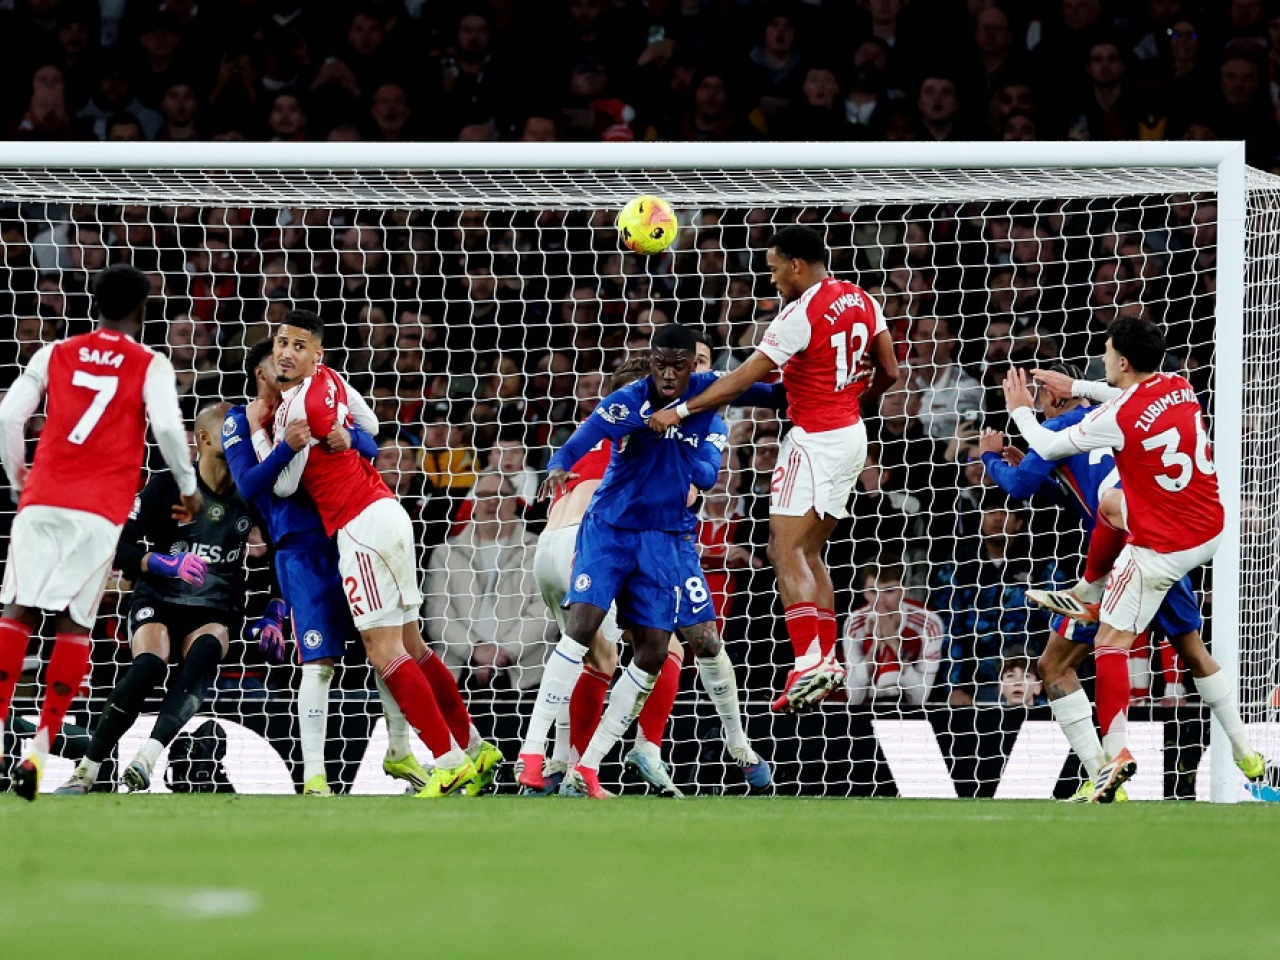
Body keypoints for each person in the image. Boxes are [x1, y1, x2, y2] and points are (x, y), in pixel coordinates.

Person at [649, 224, 899, 713]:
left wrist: (679, 410)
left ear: (797, 265)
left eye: (774, 268)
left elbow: (743, 378)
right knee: (810, 550)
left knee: (782, 549)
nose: (772, 279)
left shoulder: (798, 314)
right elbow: (889, 371)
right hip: (851, 437)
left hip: (814, 440)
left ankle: (807, 660)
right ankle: (823, 658)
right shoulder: (862, 300)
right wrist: (854, 405)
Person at [1002, 316, 1254, 801]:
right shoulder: (1179, 387)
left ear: (1121, 361)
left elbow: (1044, 453)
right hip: (1205, 526)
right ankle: (1090, 590)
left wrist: (1019, 412)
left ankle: (1113, 757)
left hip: (1157, 548)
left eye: (1106, 351)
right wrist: (1076, 384)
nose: (1102, 357)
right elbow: (1129, 400)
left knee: (1110, 643)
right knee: (1113, 503)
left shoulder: (1098, 420)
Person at [257, 310, 500, 798]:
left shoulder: (293, 409)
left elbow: (282, 486)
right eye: (282, 342)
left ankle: (448, 762)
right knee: (413, 646)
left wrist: (279, 444)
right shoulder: (332, 381)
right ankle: (475, 748)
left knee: (382, 649)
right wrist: (346, 435)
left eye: (299, 346)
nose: (286, 352)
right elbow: (369, 429)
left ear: (315, 355)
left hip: (361, 526)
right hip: (386, 513)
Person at [519, 340, 775, 798]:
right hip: (604, 534)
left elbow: (714, 452)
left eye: (695, 365)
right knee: (664, 648)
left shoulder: (673, 417)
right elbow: (692, 490)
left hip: (549, 547)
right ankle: (638, 749)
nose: (685, 374)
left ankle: (560, 763)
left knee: (589, 654)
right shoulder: (634, 419)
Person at [0, 264, 200, 801]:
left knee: (15, 611)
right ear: (140, 311)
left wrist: (18, 478)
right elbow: (163, 427)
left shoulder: (53, 353)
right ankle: (38, 751)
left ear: (94, 303)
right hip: (98, 512)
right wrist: (188, 485)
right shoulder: (148, 363)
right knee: (72, 625)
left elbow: (8, 415)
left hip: (41, 500)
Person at [221, 341, 428, 796]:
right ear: (260, 372)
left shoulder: (314, 399)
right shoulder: (241, 421)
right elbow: (249, 487)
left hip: (352, 533)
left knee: (387, 646)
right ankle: (314, 776)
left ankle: (400, 749)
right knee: (318, 663)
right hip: (301, 552)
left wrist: (348, 437)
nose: (288, 365)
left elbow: (371, 442)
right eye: (279, 360)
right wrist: (281, 448)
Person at [56, 404, 253, 794]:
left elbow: (280, 550)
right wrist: (161, 562)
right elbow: (116, 542)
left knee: (205, 652)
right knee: (148, 666)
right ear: (204, 439)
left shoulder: (252, 492)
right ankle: (87, 770)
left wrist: (277, 610)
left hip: (216, 607)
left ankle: (146, 758)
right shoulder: (167, 487)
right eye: (231, 432)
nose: (240, 439)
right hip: (160, 598)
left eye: (243, 432)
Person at [842, 562, 944, 707]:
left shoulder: (929, 624)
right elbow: (854, 697)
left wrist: (894, 644)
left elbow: (919, 698)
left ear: (904, 591)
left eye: (889, 591)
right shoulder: (854, 624)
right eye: (873, 591)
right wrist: (875, 646)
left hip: (911, 711)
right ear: (864, 593)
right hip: (866, 708)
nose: (880, 602)